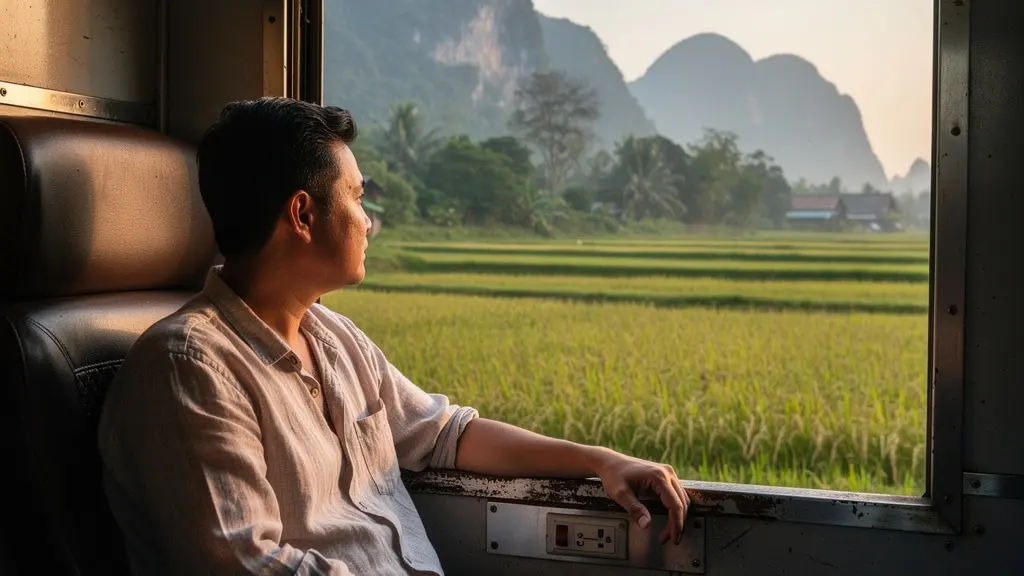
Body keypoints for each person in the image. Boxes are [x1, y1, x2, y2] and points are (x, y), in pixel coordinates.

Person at [97, 97, 690, 576]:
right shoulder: (190, 368)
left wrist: (601, 460)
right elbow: (242, 563)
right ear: (302, 215)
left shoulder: (335, 338)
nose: (368, 221)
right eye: (357, 198)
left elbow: (446, 434)